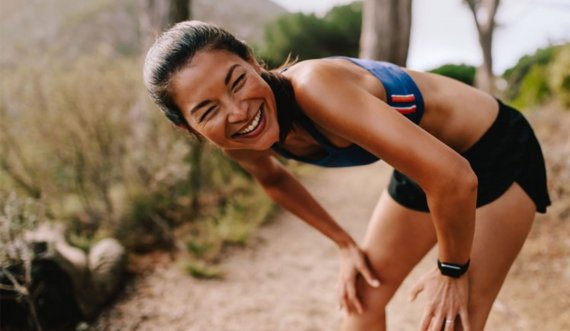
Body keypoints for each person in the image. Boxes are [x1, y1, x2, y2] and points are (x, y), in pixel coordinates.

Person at [143, 20, 550, 331]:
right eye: (207, 111)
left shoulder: (315, 88)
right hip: (424, 169)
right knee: (361, 304)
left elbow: (455, 178)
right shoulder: (235, 139)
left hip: (494, 151)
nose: (238, 111)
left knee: (451, 321)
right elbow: (274, 180)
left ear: (252, 61)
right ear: (188, 127)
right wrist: (343, 244)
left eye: (237, 82)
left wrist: (452, 270)